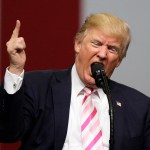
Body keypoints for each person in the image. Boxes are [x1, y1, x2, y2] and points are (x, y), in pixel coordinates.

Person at [0, 13, 150, 150]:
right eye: (96, 43)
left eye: (112, 49)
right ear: (77, 44)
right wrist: (15, 69)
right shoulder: (38, 86)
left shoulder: (140, 107)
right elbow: (9, 134)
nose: (103, 54)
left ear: (119, 60)